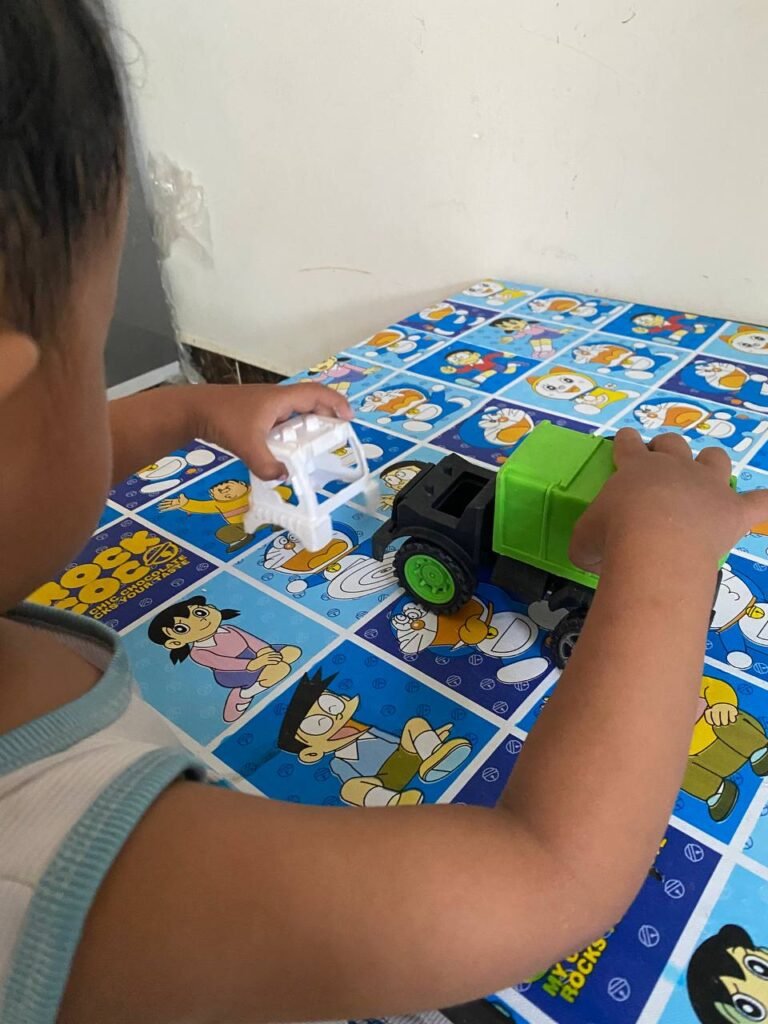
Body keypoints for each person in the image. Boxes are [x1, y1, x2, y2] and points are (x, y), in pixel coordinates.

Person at [2, 4, 768, 1023]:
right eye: (95, 341)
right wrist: (665, 558)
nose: (114, 406)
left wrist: (184, 410)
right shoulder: (56, 875)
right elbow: (550, 875)